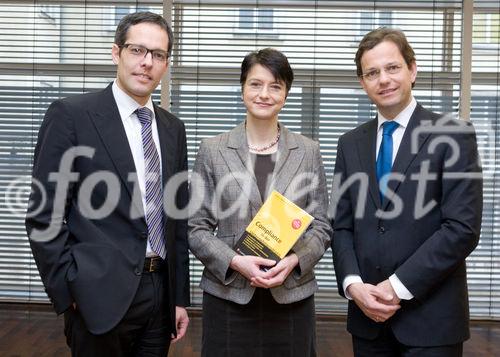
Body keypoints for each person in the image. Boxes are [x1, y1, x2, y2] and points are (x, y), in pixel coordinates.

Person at [25, 11, 190, 356]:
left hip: (159, 296)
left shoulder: (172, 128)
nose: (147, 63)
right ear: (116, 53)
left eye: (158, 55)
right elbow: (44, 215)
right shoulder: (71, 116)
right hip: (96, 295)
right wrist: (69, 290)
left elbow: (176, 221)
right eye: (137, 50)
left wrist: (178, 298)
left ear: (166, 64)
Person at [331, 27, 483, 356]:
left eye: (392, 68)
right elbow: (341, 225)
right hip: (367, 320)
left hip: (432, 322)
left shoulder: (453, 135)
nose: (383, 79)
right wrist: (353, 286)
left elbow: (462, 229)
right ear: (362, 83)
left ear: (412, 70)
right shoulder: (349, 144)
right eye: (372, 73)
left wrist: (396, 288)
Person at [188, 48, 332, 356]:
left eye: (275, 86)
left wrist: (294, 261)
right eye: (255, 84)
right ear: (242, 89)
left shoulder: (309, 151)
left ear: (286, 93)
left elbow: (321, 225)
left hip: (292, 295)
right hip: (228, 295)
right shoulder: (213, 150)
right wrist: (236, 262)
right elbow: (196, 227)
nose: (264, 94)